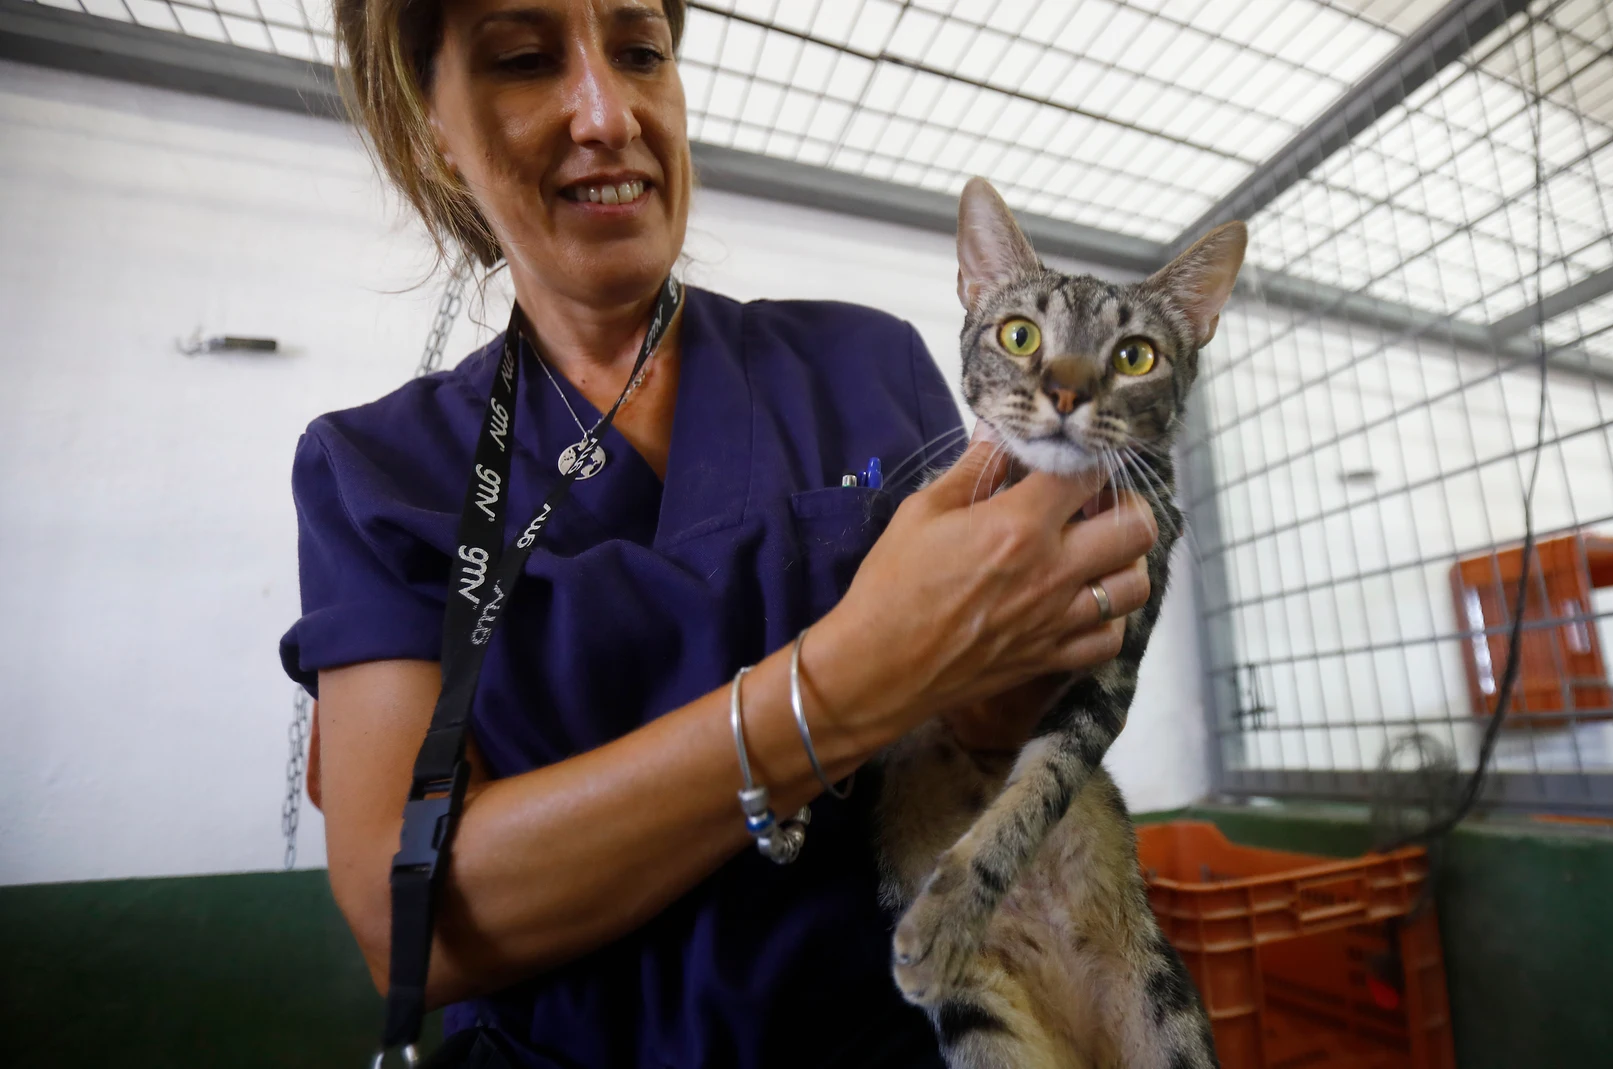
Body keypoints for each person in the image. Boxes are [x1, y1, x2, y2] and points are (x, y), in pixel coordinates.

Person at [278, 1, 1157, 1066]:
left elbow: (969, 743)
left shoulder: (863, 363)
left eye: (642, 52)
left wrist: (1042, 638)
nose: (608, 112)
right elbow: (406, 923)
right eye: (522, 60)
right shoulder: (376, 471)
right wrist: (841, 680)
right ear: (436, 136)